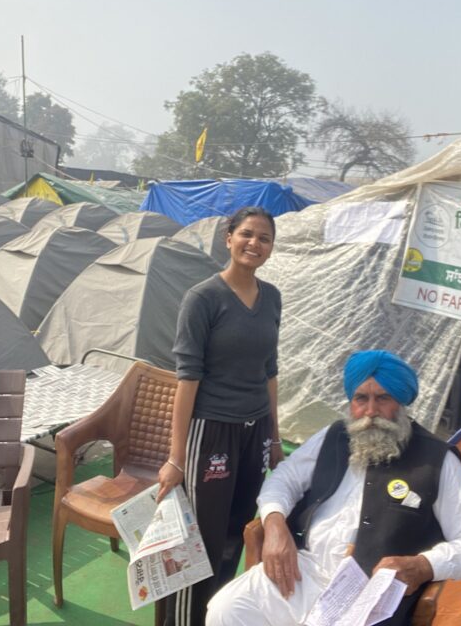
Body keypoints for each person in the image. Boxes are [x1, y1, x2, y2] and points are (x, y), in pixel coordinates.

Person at [206, 350, 461, 626]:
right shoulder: (334, 437)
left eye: (383, 398)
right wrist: (274, 522)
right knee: (227, 610)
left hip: (369, 593)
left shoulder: (436, 459)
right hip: (302, 572)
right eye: (361, 399)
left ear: (401, 402)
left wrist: (423, 565)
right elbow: (284, 479)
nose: (371, 411)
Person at [156, 206, 284, 626]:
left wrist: (276, 438)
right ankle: (179, 620)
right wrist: (177, 458)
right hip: (210, 432)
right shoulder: (203, 298)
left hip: (255, 431)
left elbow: (270, 370)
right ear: (228, 238)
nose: (255, 244)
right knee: (197, 538)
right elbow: (187, 378)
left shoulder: (272, 298)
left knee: (235, 530)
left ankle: (216, 614)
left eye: (264, 238)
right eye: (246, 234)